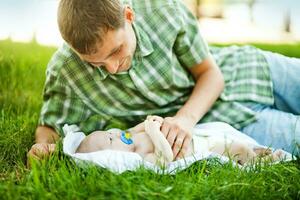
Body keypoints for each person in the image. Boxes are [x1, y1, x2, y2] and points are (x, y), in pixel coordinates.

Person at [28, 0, 299, 161]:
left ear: (128, 16)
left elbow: (211, 75)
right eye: (95, 62)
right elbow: (51, 126)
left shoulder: (162, 9)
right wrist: (43, 148)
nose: (111, 68)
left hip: (251, 69)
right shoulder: (66, 70)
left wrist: (184, 120)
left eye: (116, 50)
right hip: (229, 126)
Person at [75, 115, 285, 166]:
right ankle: (260, 161)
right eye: (109, 140)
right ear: (113, 156)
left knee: (231, 138)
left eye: (108, 133)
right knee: (236, 148)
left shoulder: (129, 136)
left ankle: (254, 153)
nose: (113, 134)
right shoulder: (140, 157)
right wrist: (154, 133)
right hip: (202, 148)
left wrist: (150, 121)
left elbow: (142, 125)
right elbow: (165, 157)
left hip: (196, 136)